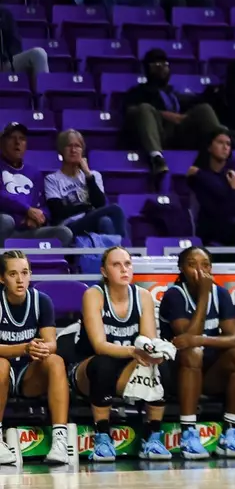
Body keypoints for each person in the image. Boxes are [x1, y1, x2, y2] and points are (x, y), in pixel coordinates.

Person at [75, 247, 169, 462]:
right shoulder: (93, 295)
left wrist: (155, 351)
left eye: (127, 264)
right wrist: (133, 351)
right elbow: (99, 345)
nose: (124, 269)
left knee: (160, 364)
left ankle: (152, 436)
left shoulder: (143, 296)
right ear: (104, 271)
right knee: (104, 363)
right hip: (87, 369)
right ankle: (102, 435)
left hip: (128, 367)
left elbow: (147, 340)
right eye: (116, 265)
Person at [160, 246, 235, 460]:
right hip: (177, 373)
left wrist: (200, 339)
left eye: (205, 265)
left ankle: (231, 432)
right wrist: (203, 296)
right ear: (181, 269)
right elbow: (186, 340)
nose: (200, 271)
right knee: (193, 353)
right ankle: (188, 433)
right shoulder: (174, 295)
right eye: (192, 265)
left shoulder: (220, 293)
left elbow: (234, 339)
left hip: (209, 372)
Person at [0, 250, 72, 467]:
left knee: (55, 360)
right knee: (0, 364)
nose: (20, 279)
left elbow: (51, 342)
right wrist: (24, 348)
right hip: (3, 369)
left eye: (24, 272)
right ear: (2, 278)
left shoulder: (42, 301)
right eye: (13, 274)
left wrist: (42, 348)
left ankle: (60, 440)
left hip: (28, 375)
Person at [42, 129, 129, 241]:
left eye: (77, 146)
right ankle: (122, 251)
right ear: (61, 150)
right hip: (69, 226)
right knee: (115, 209)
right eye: (69, 146)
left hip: (92, 220)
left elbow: (100, 204)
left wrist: (87, 174)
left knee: (105, 222)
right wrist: (87, 207)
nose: (73, 150)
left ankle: (112, 253)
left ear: (82, 151)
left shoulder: (93, 176)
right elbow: (59, 212)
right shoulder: (52, 179)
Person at [0, 122, 74, 244]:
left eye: (22, 139)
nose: (17, 142)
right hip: (6, 228)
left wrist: (40, 217)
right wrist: (27, 210)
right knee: (6, 220)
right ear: (2, 143)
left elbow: (44, 205)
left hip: (26, 231)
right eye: (12, 138)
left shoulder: (34, 173)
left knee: (64, 233)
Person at [186, 131, 235, 246]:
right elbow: (214, 202)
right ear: (209, 147)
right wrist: (232, 189)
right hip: (208, 225)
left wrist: (199, 174)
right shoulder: (199, 174)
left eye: (228, 144)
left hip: (230, 224)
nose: (225, 147)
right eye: (220, 143)